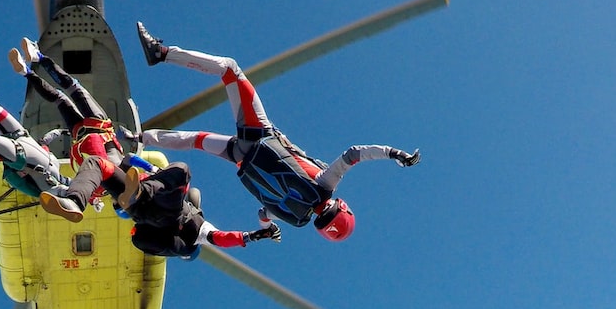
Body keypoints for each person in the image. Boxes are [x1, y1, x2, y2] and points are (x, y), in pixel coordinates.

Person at [133, 23, 421, 242]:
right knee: (196, 141)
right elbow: (263, 213)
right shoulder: (296, 217)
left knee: (230, 70)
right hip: (242, 159)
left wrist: (394, 154)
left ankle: (162, 54)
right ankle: (138, 138)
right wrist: (267, 230)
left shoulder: (325, 185)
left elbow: (353, 154)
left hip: (259, 136)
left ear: (341, 207)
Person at [50, 154, 281, 258]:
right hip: (139, 209)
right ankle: (74, 201)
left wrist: (252, 236)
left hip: (159, 211)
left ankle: (137, 193)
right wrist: (254, 235)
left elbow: (220, 237)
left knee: (182, 169)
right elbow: (221, 238)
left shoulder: (197, 229)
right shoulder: (196, 232)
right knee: (97, 164)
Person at [8, 38, 131, 221]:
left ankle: (39, 57)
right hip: (80, 137)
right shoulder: (94, 189)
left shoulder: (119, 173)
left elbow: (131, 158)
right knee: (59, 99)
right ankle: (26, 73)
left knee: (73, 87)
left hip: (98, 127)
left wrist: (152, 168)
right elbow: (68, 183)